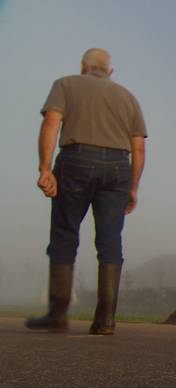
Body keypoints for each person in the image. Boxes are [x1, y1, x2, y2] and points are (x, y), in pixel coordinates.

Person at [26, 48, 147, 335]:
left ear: (84, 66)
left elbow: (52, 122)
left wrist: (45, 169)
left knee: (65, 234)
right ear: (110, 72)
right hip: (119, 167)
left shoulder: (66, 84)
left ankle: (57, 316)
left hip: (76, 161)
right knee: (109, 241)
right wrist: (133, 188)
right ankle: (106, 321)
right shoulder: (128, 97)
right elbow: (139, 147)